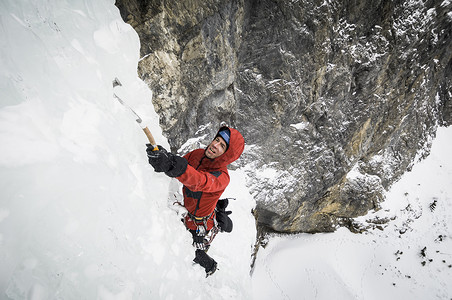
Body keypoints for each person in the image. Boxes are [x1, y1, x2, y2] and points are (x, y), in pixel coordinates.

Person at [146, 125, 245, 276]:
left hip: (201, 225)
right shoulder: (197, 154)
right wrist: (164, 158)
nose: (215, 145)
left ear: (226, 155)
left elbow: (200, 181)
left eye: (222, 146)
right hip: (190, 213)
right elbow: (180, 166)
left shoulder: (222, 177)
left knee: (193, 252)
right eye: (217, 139)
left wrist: (173, 165)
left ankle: (210, 266)